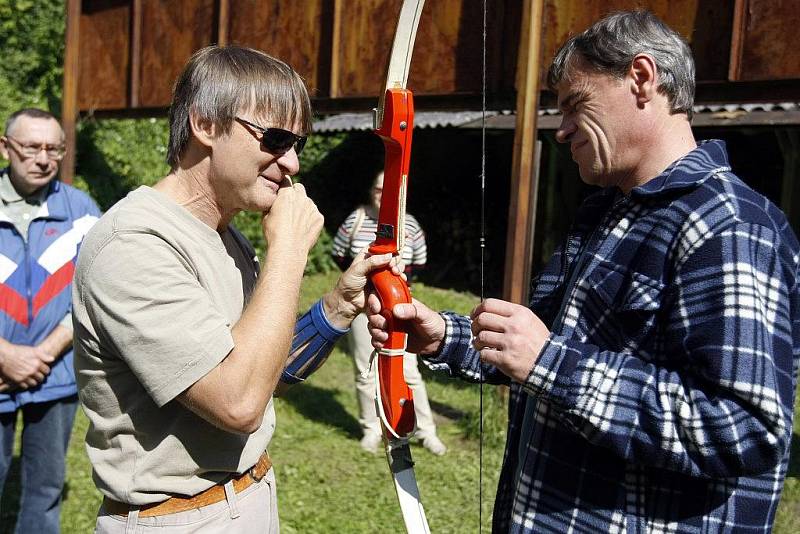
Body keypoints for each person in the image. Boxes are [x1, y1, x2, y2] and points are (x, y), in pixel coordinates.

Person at [368, 11, 800, 532]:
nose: (562, 130)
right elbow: (536, 348)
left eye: (575, 105)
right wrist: (443, 336)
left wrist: (550, 362)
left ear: (642, 79)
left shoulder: (727, 225)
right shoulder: (606, 213)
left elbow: (744, 429)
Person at [72, 45, 394, 533]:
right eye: (276, 139)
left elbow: (262, 377)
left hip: (246, 497)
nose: (291, 164)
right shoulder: (134, 244)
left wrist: (335, 309)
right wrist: (288, 251)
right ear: (205, 124)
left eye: (298, 145)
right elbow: (238, 402)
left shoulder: (226, 234)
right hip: (178, 520)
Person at [0, 108, 101, 533]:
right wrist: (5, 355)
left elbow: (96, 295)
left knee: (45, 492)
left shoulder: (81, 211)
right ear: (5, 148)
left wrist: (42, 354)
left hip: (55, 375)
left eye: (53, 149)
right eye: (31, 147)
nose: (43, 158)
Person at [332, 170, 446, 455]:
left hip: (399, 308)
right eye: (377, 189)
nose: (382, 194)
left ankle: (425, 430)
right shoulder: (356, 220)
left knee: (409, 370)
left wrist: (397, 287)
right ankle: (371, 429)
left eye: (388, 189)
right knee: (365, 369)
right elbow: (339, 253)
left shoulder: (409, 224)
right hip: (362, 307)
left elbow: (419, 261)